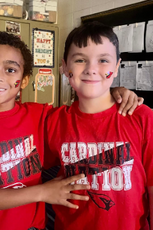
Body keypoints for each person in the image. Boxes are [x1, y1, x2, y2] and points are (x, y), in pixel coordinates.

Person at [0, 31, 143, 230]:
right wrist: (43, 192)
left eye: (10, 70)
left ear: (24, 80)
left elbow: (87, 110)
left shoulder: (40, 116)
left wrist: (118, 93)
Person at [44, 21, 153, 230]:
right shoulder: (53, 121)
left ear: (116, 66)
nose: (91, 69)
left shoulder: (141, 117)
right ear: (65, 67)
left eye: (103, 60)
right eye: (79, 60)